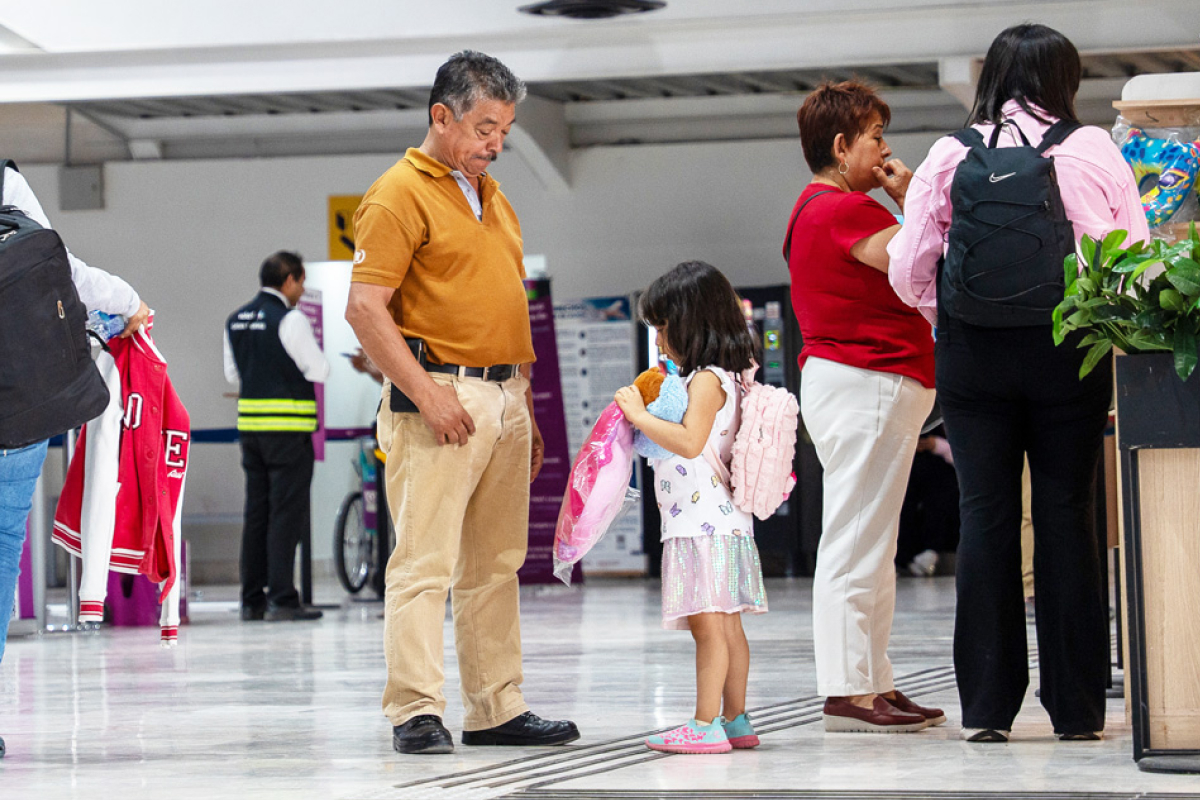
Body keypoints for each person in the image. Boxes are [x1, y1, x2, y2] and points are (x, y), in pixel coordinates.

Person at [888, 23, 1148, 743]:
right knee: (1069, 513)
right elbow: (1133, 257)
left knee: (985, 515)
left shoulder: (951, 153)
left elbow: (908, 268)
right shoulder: (1093, 149)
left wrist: (952, 313)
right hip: (1070, 350)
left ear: (992, 77)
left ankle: (987, 710)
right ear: (1065, 78)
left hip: (973, 356)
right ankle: (1077, 710)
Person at [344, 50, 578, 755]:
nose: (495, 143)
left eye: (504, 130)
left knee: (495, 563)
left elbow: (506, 305)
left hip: (504, 396)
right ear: (441, 116)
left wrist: (523, 405)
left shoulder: (493, 196)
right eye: (483, 128)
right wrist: (427, 394)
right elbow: (365, 309)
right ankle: (415, 709)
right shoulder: (397, 193)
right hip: (439, 396)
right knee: (424, 563)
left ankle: (496, 706)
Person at [786, 81, 944, 733]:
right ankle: (848, 690)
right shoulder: (841, 209)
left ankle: (871, 679)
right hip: (865, 381)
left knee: (872, 542)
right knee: (855, 540)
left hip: (862, 384)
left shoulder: (822, 208)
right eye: (875, 137)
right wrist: (913, 200)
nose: (884, 150)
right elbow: (916, 261)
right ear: (841, 146)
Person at [0, 164, 150, 759]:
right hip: (16, 401)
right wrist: (129, 302)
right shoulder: (5, 181)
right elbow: (61, 272)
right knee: (1, 548)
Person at [614, 260, 768, 754]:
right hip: (727, 524)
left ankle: (704, 725)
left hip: (700, 526)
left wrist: (637, 415)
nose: (659, 341)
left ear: (689, 323)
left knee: (707, 628)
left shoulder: (705, 380)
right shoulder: (733, 375)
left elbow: (688, 441)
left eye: (663, 328)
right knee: (729, 624)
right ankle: (736, 720)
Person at [223, 251, 329, 623]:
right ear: (289, 280)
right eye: (301, 283)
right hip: (288, 431)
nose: (301, 291)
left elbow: (233, 375)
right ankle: (282, 598)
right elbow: (318, 369)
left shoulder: (236, 319)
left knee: (257, 513)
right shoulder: (290, 319)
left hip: (251, 430)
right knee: (286, 515)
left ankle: (251, 599)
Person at [896, 428, 959, 577]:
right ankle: (902, 557)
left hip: (940, 464)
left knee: (941, 487)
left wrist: (937, 445)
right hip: (903, 459)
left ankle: (930, 551)